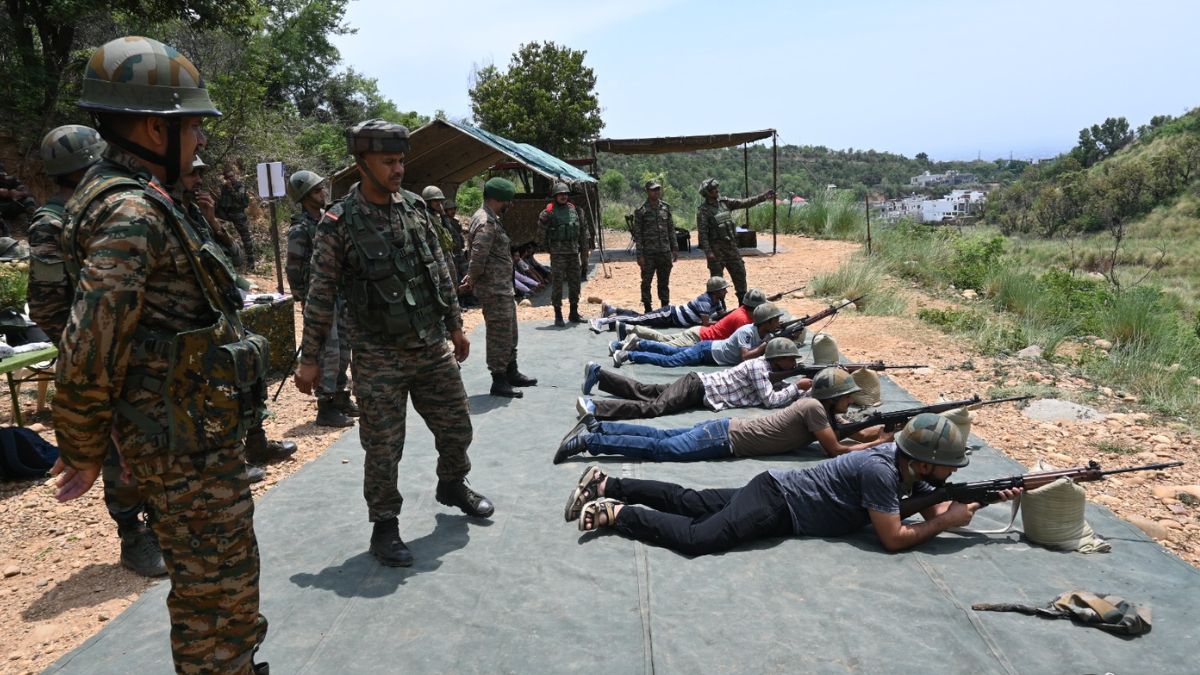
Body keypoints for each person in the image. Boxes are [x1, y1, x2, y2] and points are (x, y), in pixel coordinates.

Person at [50, 36, 269, 673]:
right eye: (193, 127)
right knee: (214, 593)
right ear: (154, 127)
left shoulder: (143, 197)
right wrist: (85, 448)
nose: (200, 140)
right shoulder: (130, 211)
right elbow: (90, 348)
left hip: (190, 433)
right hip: (178, 448)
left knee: (224, 581)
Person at [294, 118, 495, 568]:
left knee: (457, 426)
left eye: (401, 160)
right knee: (384, 447)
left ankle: (452, 484)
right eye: (388, 161)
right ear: (361, 164)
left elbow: (438, 270)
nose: (398, 169)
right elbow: (320, 294)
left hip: (429, 346)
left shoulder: (414, 209)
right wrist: (311, 361)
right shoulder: (338, 224)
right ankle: (384, 526)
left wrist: (456, 326)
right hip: (378, 353)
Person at [563, 413, 1020, 555]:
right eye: (950, 468)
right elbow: (895, 539)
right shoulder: (882, 473)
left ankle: (607, 482)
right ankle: (618, 513)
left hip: (775, 489)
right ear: (925, 464)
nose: (954, 473)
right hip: (779, 505)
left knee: (693, 501)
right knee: (699, 538)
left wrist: (970, 506)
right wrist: (950, 519)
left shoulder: (902, 466)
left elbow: (935, 509)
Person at [26, 124, 167, 579]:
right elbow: (48, 304)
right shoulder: (52, 222)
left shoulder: (98, 207)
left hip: (125, 345)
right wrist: (88, 352)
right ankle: (133, 534)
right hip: (96, 352)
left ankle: (160, 520)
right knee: (114, 442)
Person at [181, 159, 300, 474]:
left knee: (248, 371)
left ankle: (256, 442)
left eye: (200, 174)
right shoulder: (166, 216)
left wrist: (213, 221)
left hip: (224, 315)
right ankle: (228, 461)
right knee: (213, 394)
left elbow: (236, 259)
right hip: (196, 323)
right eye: (192, 173)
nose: (198, 181)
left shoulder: (196, 216)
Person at [558, 367, 887, 464]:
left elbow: (850, 433)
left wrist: (882, 431)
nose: (849, 402)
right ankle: (591, 442)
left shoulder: (820, 410)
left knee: (661, 438)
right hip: (725, 439)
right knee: (662, 449)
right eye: (845, 397)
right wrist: (881, 443)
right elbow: (836, 450)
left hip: (724, 430)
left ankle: (598, 427)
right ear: (832, 398)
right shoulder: (815, 408)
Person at [573, 337, 809, 423]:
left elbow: (778, 389)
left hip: (698, 386)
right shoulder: (758, 366)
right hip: (698, 388)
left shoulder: (767, 369)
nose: (794, 365)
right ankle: (595, 407)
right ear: (778, 359)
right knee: (655, 408)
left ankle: (599, 374)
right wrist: (797, 386)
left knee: (646, 390)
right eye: (791, 361)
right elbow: (769, 400)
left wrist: (801, 389)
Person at [286, 169, 356, 427]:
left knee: (343, 349)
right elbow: (293, 268)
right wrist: (304, 298)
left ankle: (340, 396)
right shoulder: (300, 229)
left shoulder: (329, 221)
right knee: (329, 351)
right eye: (316, 191)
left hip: (339, 293)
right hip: (320, 299)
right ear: (304, 197)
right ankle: (325, 407)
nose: (323, 193)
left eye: (322, 188)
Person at [462, 177, 537, 397]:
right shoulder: (486, 222)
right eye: (507, 201)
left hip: (502, 287)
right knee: (499, 334)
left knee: (509, 332)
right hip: (493, 289)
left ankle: (511, 372)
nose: (509, 205)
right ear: (496, 199)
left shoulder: (490, 218)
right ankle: (499, 379)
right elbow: (478, 256)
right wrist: (471, 279)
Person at [612, 301, 783, 369]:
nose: (778, 323)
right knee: (669, 360)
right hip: (706, 350)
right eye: (775, 320)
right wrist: (763, 347)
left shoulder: (765, 335)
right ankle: (629, 354)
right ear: (766, 322)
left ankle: (640, 344)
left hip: (707, 349)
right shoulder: (746, 331)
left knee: (670, 351)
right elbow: (745, 357)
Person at [696, 178, 774, 303]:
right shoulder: (703, 211)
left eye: (717, 188)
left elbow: (745, 203)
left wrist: (763, 197)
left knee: (740, 277)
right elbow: (703, 234)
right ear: (707, 193)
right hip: (716, 254)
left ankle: (743, 307)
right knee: (717, 284)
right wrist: (708, 252)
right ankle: (719, 309)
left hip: (731, 250)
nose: (716, 191)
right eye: (713, 190)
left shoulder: (725, 203)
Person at [623, 288, 767, 345]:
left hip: (697, 331)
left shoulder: (742, 310)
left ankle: (633, 330)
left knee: (663, 339)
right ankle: (634, 343)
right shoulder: (742, 319)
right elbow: (744, 344)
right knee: (665, 347)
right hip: (698, 336)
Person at [590, 276, 728, 334]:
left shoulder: (717, 301)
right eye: (724, 289)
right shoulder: (705, 301)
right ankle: (601, 320)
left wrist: (734, 312)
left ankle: (611, 309)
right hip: (669, 314)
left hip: (673, 319)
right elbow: (705, 324)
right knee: (639, 320)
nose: (726, 291)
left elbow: (722, 315)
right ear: (716, 291)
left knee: (641, 318)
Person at [537, 181, 589, 326]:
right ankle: (558, 315)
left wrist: (584, 250)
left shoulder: (575, 210)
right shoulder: (548, 213)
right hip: (558, 254)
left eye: (565, 194)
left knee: (575, 283)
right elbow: (541, 234)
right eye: (560, 194)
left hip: (573, 253)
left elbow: (582, 232)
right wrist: (550, 249)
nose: (563, 196)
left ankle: (573, 312)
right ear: (555, 195)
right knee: (558, 285)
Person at [631, 179, 677, 312]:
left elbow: (671, 229)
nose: (656, 192)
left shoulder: (666, 207)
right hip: (648, 254)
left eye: (658, 189)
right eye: (653, 190)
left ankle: (664, 307)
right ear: (647, 191)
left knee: (664, 282)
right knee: (646, 282)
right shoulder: (641, 211)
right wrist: (640, 256)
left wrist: (674, 248)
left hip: (664, 252)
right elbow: (638, 236)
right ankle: (648, 308)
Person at [421, 185, 465, 285]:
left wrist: (443, 214)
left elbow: (451, 234)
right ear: (428, 202)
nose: (439, 204)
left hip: (445, 255)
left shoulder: (436, 217)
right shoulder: (425, 217)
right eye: (435, 201)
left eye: (440, 201)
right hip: (436, 259)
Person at [216, 160, 254, 270]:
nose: (231, 178)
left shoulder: (240, 186)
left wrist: (231, 188)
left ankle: (251, 261)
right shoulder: (224, 187)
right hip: (227, 215)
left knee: (245, 237)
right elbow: (223, 201)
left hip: (238, 215)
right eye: (228, 177)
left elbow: (239, 197)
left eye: (232, 176)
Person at [0, 161, 37, 235]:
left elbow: (27, 192)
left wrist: (17, 193)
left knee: (29, 199)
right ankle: (5, 232)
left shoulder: (11, 180)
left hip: (12, 206)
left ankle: (32, 224)